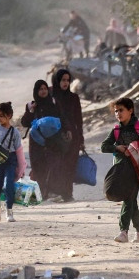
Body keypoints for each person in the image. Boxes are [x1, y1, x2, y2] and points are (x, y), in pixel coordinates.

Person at [101, 97, 139, 243]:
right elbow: (104, 146)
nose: (118, 113)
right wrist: (116, 147)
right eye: (116, 111)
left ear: (130, 110)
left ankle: (123, 232)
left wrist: (134, 148)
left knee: (129, 198)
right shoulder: (116, 130)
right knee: (130, 199)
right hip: (120, 169)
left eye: (121, 110)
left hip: (136, 168)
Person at [20, 80, 60, 199]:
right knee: (37, 165)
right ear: (36, 91)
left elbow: (60, 119)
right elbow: (24, 123)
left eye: (45, 89)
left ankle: (49, 190)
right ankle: (40, 192)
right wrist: (32, 111)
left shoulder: (53, 103)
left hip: (51, 140)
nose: (43, 91)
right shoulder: (31, 105)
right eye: (40, 89)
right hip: (35, 141)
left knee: (51, 164)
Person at [50, 68, 84, 202]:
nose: (65, 83)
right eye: (62, 80)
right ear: (57, 80)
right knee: (57, 164)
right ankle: (55, 192)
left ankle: (67, 194)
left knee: (70, 165)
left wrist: (81, 138)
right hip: (55, 136)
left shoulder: (73, 97)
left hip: (72, 137)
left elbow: (78, 120)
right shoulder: (51, 96)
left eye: (67, 80)